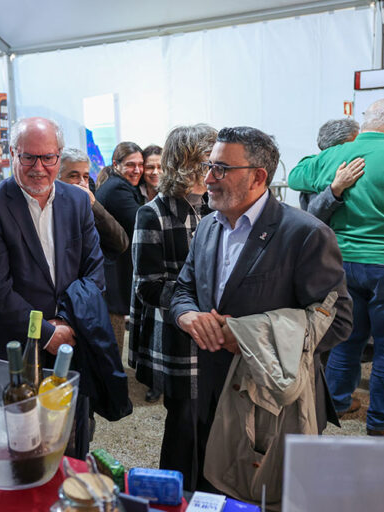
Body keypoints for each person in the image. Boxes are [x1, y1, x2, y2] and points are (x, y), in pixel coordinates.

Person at [171, 126, 352, 490]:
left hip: (271, 399)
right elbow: (183, 289)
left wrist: (252, 337)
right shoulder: (208, 227)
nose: (207, 178)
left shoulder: (305, 233)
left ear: (258, 176)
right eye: (209, 166)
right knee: (214, 482)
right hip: (211, 386)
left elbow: (338, 320)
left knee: (269, 492)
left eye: (221, 169)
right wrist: (187, 315)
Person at [290, 99, 384, 436]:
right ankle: (383, 418)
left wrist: (333, 181)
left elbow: (296, 177)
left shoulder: (338, 156)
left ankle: (338, 400)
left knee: (346, 337)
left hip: (342, 265)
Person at [0, 117, 105, 358]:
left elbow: (94, 271)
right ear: (13, 153)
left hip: (70, 337)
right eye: (29, 157)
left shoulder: (78, 200)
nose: (39, 167)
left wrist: (65, 322)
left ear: (59, 156)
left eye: (48, 158)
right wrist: (45, 332)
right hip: (10, 346)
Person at [130, 125, 216, 483]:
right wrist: (193, 307)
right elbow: (147, 286)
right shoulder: (154, 213)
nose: (216, 170)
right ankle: (176, 497)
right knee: (183, 424)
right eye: (211, 162)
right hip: (179, 335)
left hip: (216, 332)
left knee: (213, 424)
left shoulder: (216, 205)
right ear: (189, 163)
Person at [95, 142, 146, 355]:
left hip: (113, 272)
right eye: (130, 165)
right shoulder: (117, 188)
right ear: (116, 164)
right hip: (112, 274)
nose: (137, 170)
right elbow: (142, 222)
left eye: (140, 164)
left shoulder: (120, 185)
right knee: (113, 343)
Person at [59, 147, 128, 258]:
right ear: (57, 178)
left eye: (85, 177)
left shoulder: (89, 206)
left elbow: (120, 243)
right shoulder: (50, 208)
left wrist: (94, 206)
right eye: (73, 176)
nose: (82, 183)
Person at [298, 118, 364, 223]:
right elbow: (312, 216)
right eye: (353, 144)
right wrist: (335, 188)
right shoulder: (316, 169)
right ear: (338, 149)